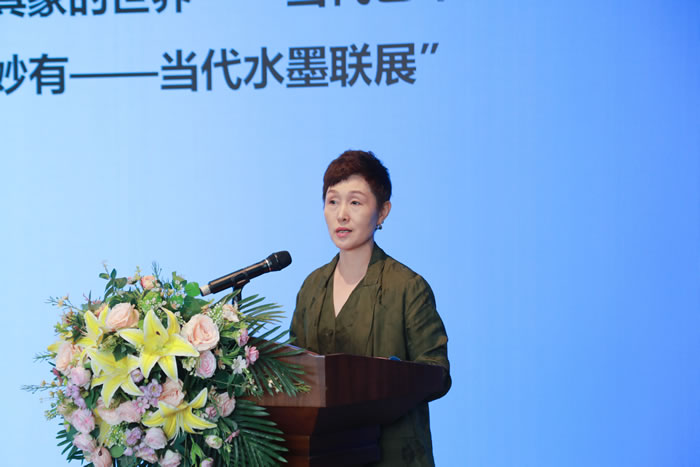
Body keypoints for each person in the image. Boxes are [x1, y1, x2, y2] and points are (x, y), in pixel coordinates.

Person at [290, 150, 451, 467]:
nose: (341, 215)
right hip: (324, 454)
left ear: (382, 212)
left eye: (355, 202)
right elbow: (295, 368)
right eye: (332, 201)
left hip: (393, 455)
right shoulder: (312, 287)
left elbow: (438, 374)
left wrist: (386, 375)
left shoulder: (408, 287)